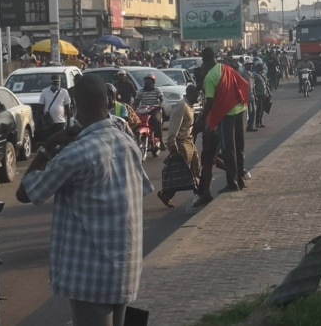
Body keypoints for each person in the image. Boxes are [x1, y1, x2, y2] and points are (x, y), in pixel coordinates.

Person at [17, 75, 153, 326]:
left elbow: (26, 193)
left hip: (91, 275)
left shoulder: (76, 153)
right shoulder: (127, 142)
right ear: (108, 103)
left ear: (75, 106)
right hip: (125, 269)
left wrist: (46, 149)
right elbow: (143, 189)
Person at [197, 47, 249, 194]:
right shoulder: (226, 68)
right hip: (239, 109)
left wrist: (201, 121)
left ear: (204, 60)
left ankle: (232, 183)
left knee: (228, 149)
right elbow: (242, 84)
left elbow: (209, 102)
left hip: (227, 114)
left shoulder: (209, 77)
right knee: (239, 147)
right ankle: (240, 179)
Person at [158, 84, 202, 208]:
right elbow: (174, 126)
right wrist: (171, 143)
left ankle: (200, 193)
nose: (198, 98)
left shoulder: (190, 106)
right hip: (181, 142)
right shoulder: (182, 106)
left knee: (195, 167)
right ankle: (166, 195)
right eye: (196, 95)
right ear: (190, 94)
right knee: (183, 171)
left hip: (189, 141)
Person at [133, 73, 165, 150]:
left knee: (157, 121)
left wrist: (160, 105)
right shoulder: (141, 91)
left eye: (149, 80)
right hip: (143, 111)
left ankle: (160, 141)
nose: (146, 82)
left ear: (153, 82)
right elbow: (137, 101)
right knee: (134, 123)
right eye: (146, 80)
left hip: (155, 110)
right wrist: (133, 108)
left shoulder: (157, 90)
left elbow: (161, 100)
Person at [39, 74, 71, 138]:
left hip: (61, 122)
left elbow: (67, 108)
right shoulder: (45, 91)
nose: (57, 85)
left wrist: (68, 124)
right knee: (50, 139)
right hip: (49, 122)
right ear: (51, 83)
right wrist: (39, 122)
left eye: (58, 83)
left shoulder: (64, 92)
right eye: (55, 83)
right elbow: (40, 107)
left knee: (59, 139)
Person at [253, 60, 271, 128]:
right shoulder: (255, 75)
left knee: (263, 108)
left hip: (264, 94)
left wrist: (269, 93)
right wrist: (255, 96)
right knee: (259, 109)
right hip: (258, 94)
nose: (262, 67)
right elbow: (253, 86)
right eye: (260, 66)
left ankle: (260, 122)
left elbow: (266, 84)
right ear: (257, 67)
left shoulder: (262, 74)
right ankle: (257, 123)